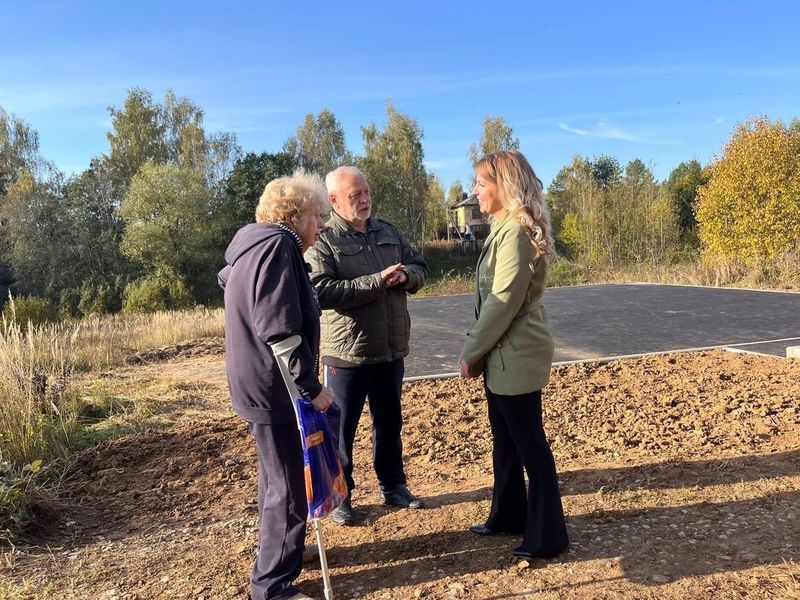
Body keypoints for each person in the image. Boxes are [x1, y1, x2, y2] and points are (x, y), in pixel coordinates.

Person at [218, 170, 334, 600]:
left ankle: (285, 548)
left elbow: (227, 281)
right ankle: (270, 586)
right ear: (295, 214)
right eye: (317, 217)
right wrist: (310, 387)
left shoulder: (249, 246)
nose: (321, 226)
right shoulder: (278, 245)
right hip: (275, 387)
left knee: (274, 476)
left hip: (253, 383)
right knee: (287, 486)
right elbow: (278, 329)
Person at [459, 150, 569, 559]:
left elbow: (502, 300)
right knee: (505, 441)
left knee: (530, 447)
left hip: (516, 353)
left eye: (481, 184)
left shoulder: (518, 232)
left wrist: (471, 351)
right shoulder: (503, 227)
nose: (475, 191)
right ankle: (508, 517)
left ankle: (547, 537)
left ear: (504, 187)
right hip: (503, 354)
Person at [306, 166, 429, 525]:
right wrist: (377, 281)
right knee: (341, 430)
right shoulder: (324, 239)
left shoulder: (388, 231)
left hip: (389, 348)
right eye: (354, 195)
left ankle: (393, 485)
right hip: (346, 354)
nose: (364, 200)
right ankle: (340, 496)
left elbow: (420, 266)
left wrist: (407, 277)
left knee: (389, 422)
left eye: (366, 192)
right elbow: (320, 291)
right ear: (333, 200)